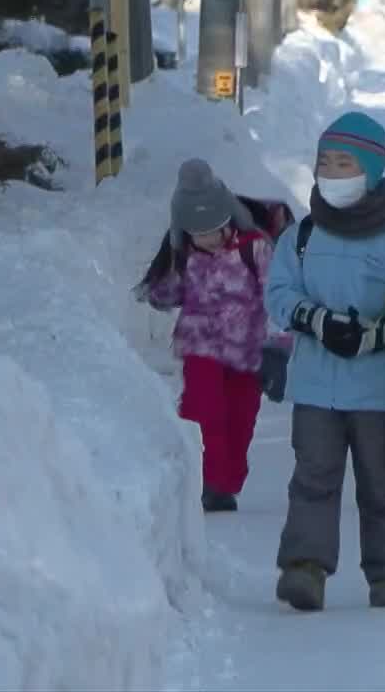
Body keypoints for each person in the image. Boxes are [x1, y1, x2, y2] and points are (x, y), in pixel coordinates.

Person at [264, 111, 385, 612]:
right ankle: (305, 568)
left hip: (379, 388)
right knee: (312, 478)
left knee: (383, 481)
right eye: (325, 161)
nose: (332, 172)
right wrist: (315, 320)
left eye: (345, 163)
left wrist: (384, 329)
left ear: (371, 170)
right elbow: (278, 292)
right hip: (317, 386)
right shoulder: (301, 235)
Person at [136, 159, 289, 513]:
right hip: (200, 347)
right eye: (197, 233)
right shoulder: (185, 253)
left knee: (240, 419)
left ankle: (227, 483)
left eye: (214, 230)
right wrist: (163, 283)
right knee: (202, 412)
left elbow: (278, 296)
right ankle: (206, 482)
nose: (206, 239)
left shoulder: (255, 248)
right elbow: (169, 294)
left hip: (247, 353)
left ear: (228, 222)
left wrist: (280, 345)